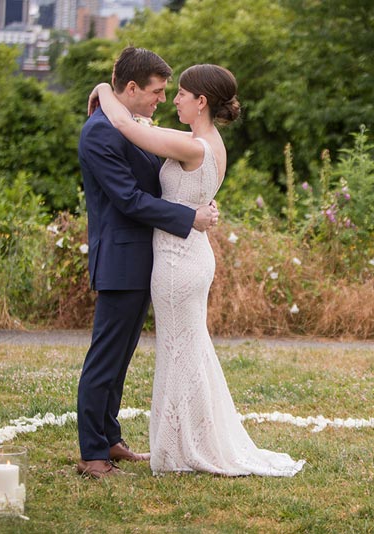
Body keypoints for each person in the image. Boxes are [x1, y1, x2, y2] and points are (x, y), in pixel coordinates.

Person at [89, 63, 305, 477]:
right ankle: (189, 442)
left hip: (177, 262)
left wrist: (103, 86)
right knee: (187, 351)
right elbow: (137, 124)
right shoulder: (205, 142)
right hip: (190, 255)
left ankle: (185, 447)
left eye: (182, 94)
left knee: (180, 353)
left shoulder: (195, 148)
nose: (174, 100)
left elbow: (125, 124)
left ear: (201, 101)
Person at [76, 47, 220, 479]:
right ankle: (91, 454)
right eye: (157, 92)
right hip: (121, 259)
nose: (161, 100)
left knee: (121, 357)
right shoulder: (99, 132)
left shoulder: (131, 123)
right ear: (132, 88)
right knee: (105, 357)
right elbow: (129, 198)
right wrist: (188, 218)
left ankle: (110, 437)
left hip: (149, 260)